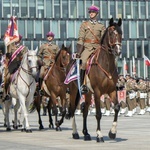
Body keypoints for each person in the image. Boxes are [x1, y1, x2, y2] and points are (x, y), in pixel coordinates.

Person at [74, 5, 106, 94]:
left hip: (98, 48)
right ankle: (82, 84)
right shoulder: (84, 24)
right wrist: (79, 51)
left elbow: (103, 39)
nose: (91, 13)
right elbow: (81, 38)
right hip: (87, 47)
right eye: (90, 12)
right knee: (83, 62)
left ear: (97, 14)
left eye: (93, 12)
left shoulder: (101, 26)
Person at [3, 35, 28, 101]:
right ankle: (6, 93)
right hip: (12, 65)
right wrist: (8, 55)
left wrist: (21, 57)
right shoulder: (10, 46)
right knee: (7, 77)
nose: (17, 40)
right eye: (16, 38)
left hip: (20, 65)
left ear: (20, 39)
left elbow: (25, 56)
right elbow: (8, 56)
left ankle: (34, 90)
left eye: (18, 39)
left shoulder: (23, 47)